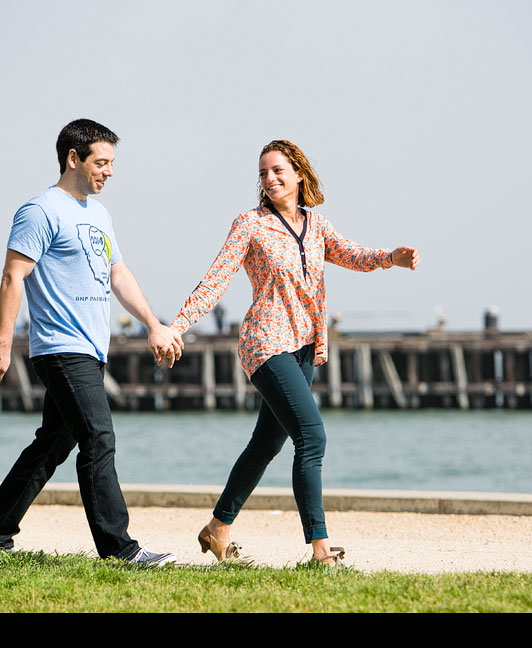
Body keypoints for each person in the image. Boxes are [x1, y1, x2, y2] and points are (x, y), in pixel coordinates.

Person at [169, 140, 418, 565]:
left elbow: (350, 254)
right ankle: (321, 551)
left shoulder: (316, 225)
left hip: (306, 350)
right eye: (264, 173)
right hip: (266, 345)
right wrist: (176, 327)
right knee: (312, 436)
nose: (270, 179)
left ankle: (216, 530)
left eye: (278, 171)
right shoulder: (248, 225)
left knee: (265, 445)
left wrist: (388, 258)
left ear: (299, 173)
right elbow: (214, 281)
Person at [0, 119, 183, 565]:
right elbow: (13, 275)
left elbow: (118, 275)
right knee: (99, 437)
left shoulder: (99, 214)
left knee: (53, 443)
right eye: (101, 163)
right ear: (74, 159)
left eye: (112, 164)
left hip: (92, 349)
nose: (109, 172)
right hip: (60, 348)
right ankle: (120, 549)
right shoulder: (40, 210)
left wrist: (152, 323)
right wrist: (2, 343)